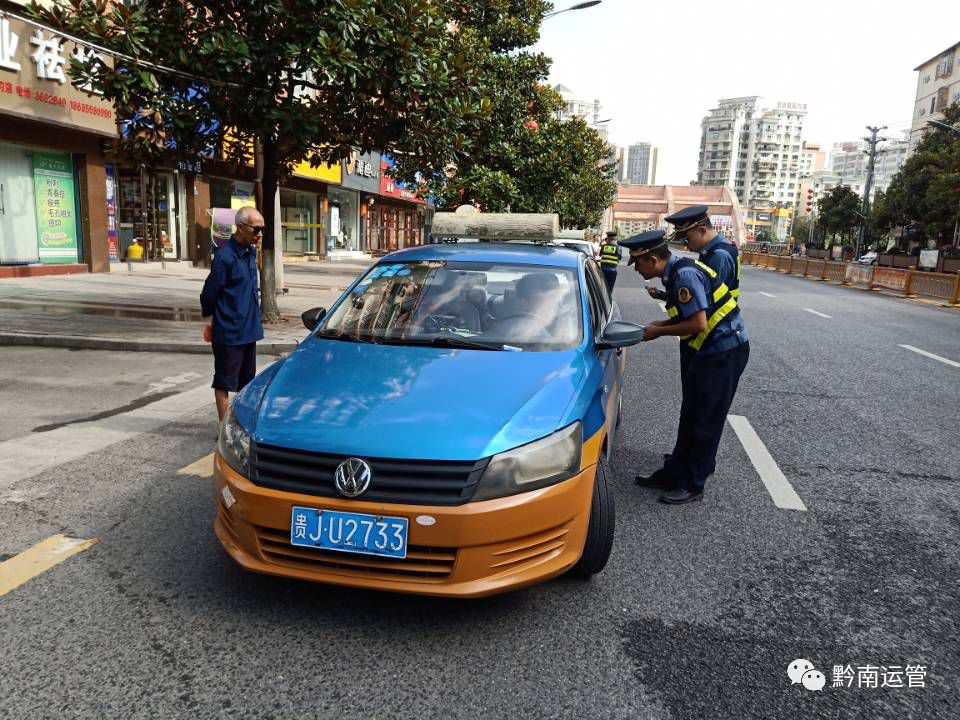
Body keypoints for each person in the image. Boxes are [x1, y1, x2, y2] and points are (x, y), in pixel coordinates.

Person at [619, 230, 749, 505]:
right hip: (707, 349)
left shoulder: (684, 276)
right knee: (690, 416)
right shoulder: (678, 272)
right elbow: (688, 316)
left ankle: (693, 483)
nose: (637, 269)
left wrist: (658, 332)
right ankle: (673, 473)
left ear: (653, 259)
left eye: (638, 264)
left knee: (704, 420)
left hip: (724, 351)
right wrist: (655, 325)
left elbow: (697, 323)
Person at [201, 206, 265, 422]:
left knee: (247, 383)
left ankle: (240, 424)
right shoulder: (225, 257)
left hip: (249, 330)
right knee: (224, 382)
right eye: (256, 229)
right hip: (229, 332)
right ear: (240, 227)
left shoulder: (250, 253)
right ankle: (223, 428)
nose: (260, 234)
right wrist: (212, 319)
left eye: (262, 229)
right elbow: (210, 292)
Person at [665, 205, 741, 300]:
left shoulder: (719, 255)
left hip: (718, 314)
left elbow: (708, 297)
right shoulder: (716, 248)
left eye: (687, 239)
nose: (686, 245)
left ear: (702, 230)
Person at [599, 230, 622, 295]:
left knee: (602, 287)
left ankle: (601, 298)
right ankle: (608, 299)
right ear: (614, 239)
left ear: (608, 238)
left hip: (602, 270)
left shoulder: (603, 246)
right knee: (610, 288)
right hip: (612, 271)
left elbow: (600, 255)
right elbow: (619, 257)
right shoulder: (618, 247)